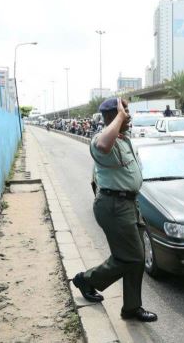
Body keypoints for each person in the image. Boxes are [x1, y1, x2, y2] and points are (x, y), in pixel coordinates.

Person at [72, 97, 158, 322]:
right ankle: (86, 280)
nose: (129, 116)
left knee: (133, 258)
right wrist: (120, 116)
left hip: (129, 203)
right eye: (124, 112)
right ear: (112, 116)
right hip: (113, 206)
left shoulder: (124, 139)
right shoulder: (99, 141)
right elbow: (103, 145)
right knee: (132, 257)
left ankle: (131, 308)